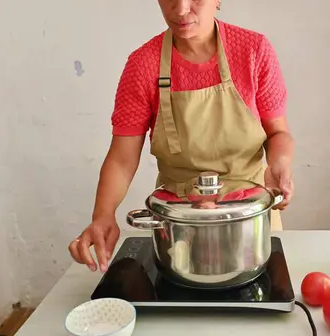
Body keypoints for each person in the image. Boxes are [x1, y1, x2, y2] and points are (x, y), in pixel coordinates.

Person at [69, 0, 295, 272]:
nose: (180, 9)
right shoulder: (143, 65)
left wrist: (279, 164)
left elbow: (278, 133)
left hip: (251, 214)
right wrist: (103, 215)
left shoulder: (253, 50)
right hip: (180, 225)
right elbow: (122, 158)